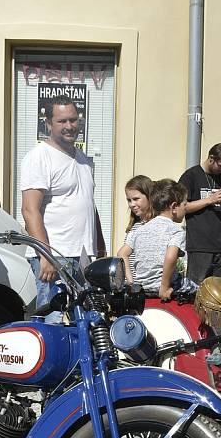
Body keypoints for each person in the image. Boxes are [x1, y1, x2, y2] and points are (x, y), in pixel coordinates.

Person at [21, 95, 106, 309]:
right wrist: (46, 256)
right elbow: (29, 210)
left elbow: (88, 204)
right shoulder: (40, 157)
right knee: (54, 320)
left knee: (80, 321)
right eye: (62, 121)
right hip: (55, 256)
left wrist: (101, 247)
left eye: (73, 119)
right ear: (48, 123)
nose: (69, 126)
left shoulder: (82, 158)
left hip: (82, 255)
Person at [179, 142, 221, 284]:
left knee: (219, 290)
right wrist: (209, 200)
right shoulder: (190, 176)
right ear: (211, 158)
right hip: (200, 245)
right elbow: (182, 207)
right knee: (195, 289)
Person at [118, 179, 187, 300]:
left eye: (135, 199)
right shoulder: (175, 231)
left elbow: (121, 253)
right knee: (199, 289)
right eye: (184, 205)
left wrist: (132, 284)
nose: (186, 209)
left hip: (141, 287)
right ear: (174, 206)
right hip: (161, 287)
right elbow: (171, 257)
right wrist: (164, 287)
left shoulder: (139, 230)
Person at [117, 175, 154, 279]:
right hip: (136, 285)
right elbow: (123, 254)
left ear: (150, 196)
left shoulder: (154, 225)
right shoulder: (137, 226)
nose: (132, 204)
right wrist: (130, 281)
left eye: (136, 199)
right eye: (129, 200)